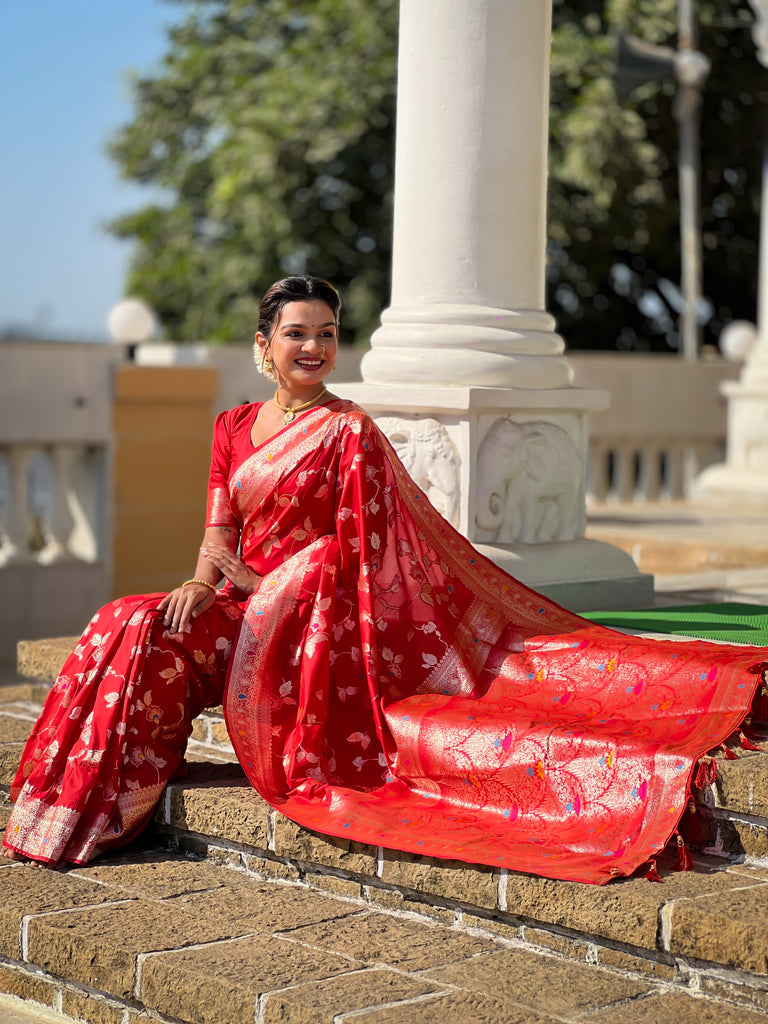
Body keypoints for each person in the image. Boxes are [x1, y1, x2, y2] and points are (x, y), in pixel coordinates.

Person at [3, 275, 766, 884]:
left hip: (300, 627)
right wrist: (204, 582)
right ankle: (83, 803)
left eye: (326, 335)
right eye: (296, 334)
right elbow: (217, 525)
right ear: (263, 346)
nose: (313, 347)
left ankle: (100, 808)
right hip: (234, 603)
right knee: (128, 620)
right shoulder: (233, 427)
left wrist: (265, 582)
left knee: (138, 625)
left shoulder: (350, 431)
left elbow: (362, 556)